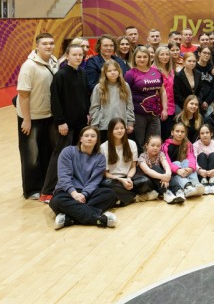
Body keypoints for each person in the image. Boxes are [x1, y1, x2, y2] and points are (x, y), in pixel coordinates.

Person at [43, 43, 90, 201]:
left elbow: (84, 96)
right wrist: (61, 122)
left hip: (80, 123)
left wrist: (87, 113)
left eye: (80, 55)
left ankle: (70, 187)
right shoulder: (60, 75)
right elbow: (55, 100)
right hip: (66, 125)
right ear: (67, 56)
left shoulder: (82, 73)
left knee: (76, 156)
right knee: (60, 156)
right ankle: (47, 191)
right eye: (74, 54)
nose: (78, 57)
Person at [50, 125, 118, 230]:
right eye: (86, 136)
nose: (89, 138)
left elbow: (94, 182)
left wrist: (84, 194)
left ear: (97, 140)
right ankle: (98, 219)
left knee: (110, 195)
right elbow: (64, 177)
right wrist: (74, 194)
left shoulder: (100, 158)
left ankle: (70, 218)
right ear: (81, 138)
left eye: (93, 136)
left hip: (86, 193)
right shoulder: (68, 151)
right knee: (57, 201)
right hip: (67, 192)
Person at [16, 32, 58, 201]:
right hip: (31, 118)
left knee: (47, 152)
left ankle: (45, 186)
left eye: (51, 43)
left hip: (48, 115)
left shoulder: (54, 61)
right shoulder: (29, 66)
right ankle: (31, 189)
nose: (48, 46)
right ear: (37, 46)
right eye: (44, 43)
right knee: (31, 155)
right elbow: (23, 95)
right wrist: (26, 120)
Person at [99, 118, 154, 205]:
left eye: (122, 128)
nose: (120, 131)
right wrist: (121, 180)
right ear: (110, 130)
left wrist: (128, 178)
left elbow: (133, 167)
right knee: (106, 185)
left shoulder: (131, 143)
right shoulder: (103, 147)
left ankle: (122, 197)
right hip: (114, 179)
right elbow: (106, 173)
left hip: (129, 177)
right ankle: (134, 197)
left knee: (145, 181)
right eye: (116, 128)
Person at [125, 45, 167, 150]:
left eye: (145, 57)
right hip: (138, 114)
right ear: (134, 58)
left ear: (149, 58)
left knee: (155, 142)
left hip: (155, 115)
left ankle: (153, 160)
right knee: (139, 143)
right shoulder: (130, 74)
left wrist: (165, 109)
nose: (142, 59)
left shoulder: (156, 72)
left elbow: (162, 91)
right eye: (139, 57)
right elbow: (125, 95)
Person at [90, 59, 135, 145]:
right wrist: (95, 125)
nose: (112, 72)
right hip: (104, 126)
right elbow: (94, 107)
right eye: (109, 71)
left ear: (119, 71)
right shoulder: (99, 87)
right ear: (105, 73)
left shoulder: (125, 86)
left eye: (115, 70)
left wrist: (130, 122)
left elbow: (129, 106)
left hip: (121, 126)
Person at [163, 122, 204, 199]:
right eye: (177, 131)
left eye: (182, 132)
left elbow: (192, 158)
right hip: (172, 172)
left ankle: (196, 184)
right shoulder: (165, 146)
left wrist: (190, 168)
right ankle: (187, 187)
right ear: (172, 132)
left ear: (185, 134)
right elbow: (166, 162)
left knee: (187, 162)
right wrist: (178, 170)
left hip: (185, 170)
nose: (180, 134)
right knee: (177, 163)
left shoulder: (188, 144)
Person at [137, 135, 181, 204]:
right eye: (153, 145)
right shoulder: (142, 157)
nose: (155, 148)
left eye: (158, 146)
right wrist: (162, 177)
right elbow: (147, 171)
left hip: (160, 180)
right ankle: (166, 192)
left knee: (165, 171)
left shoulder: (160, 154)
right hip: (149, 181)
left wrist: (167, 175)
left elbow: (166, 166)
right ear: (147, 145)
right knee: (155, 167)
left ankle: (178, 191)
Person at [193, 124, 214, 194]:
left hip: (213, 172)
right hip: (201, 173)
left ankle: (213, 180)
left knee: (212, 154)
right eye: (202, 133)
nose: (205, 135)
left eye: (207, 132)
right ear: (199, 135)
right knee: (202, 155)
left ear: (211, 134)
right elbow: (194, 160)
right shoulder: (195, 145)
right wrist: (199, 170)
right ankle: (203, 181)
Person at [154, 45, 176, 140]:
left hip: (172, 106)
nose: (165, 57)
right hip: (160, 108)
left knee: (169, 135)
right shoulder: (153, 70)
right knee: (160, 136)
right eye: (162, 54)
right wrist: (164, 109)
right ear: (157, 56)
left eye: (167, 54)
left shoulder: (171, 70)